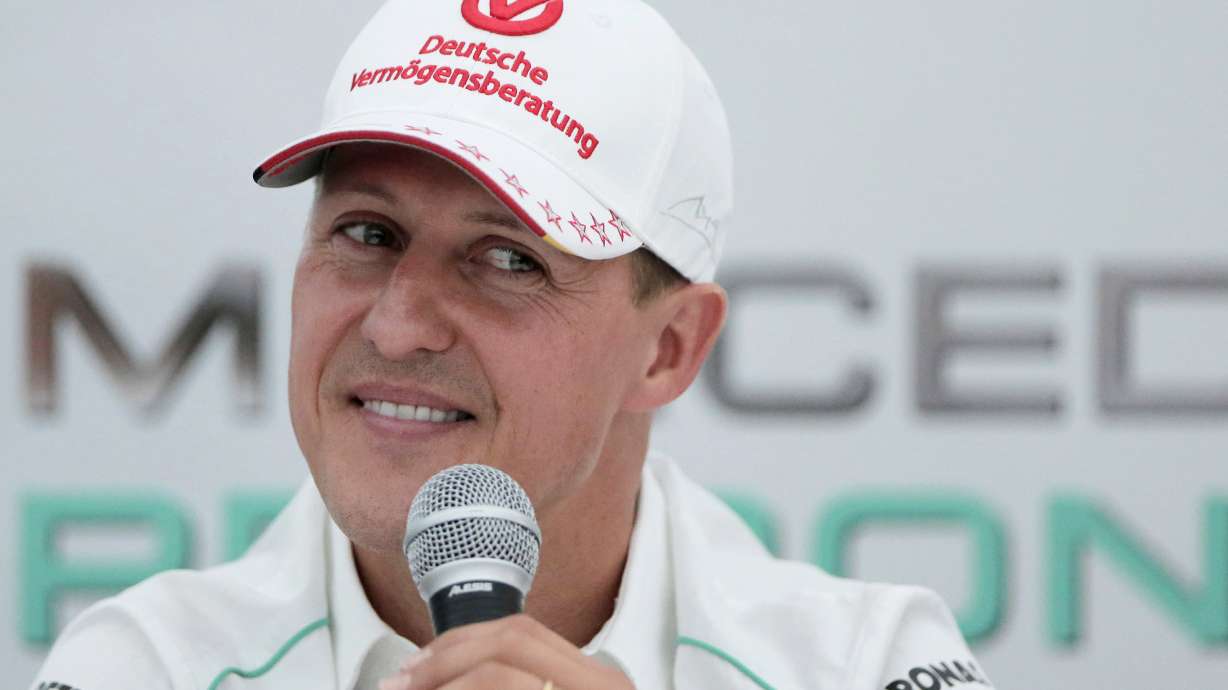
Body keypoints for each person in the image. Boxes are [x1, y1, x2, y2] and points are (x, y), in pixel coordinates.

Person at [32, 1, 994, 689]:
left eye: (507, 260)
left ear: (668, 347)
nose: (397, 326)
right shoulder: (141, 666)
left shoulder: (871, 662)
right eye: (367, 233)